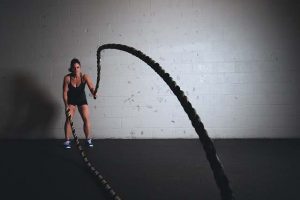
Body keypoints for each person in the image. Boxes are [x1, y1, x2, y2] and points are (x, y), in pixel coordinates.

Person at [62, 58, 97, 149]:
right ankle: (67, 141)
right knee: (68, 119)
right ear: (71, 68)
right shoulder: (67, 78)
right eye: (74, 68)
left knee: (86, 119)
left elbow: (92, 87)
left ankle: (88, 140)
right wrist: (66, 105)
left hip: (82, 100)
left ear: (80, 68)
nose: (76, 69)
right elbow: (65, 92)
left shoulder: (84, 77)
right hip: (71, 101)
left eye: (78, 67)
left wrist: (94, 93)